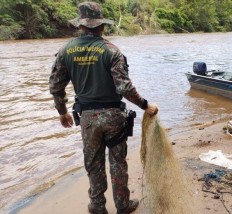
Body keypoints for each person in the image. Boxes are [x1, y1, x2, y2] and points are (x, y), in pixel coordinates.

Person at [49, 2, 158, 214]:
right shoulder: (111, 51)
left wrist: (62, 112)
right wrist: (146, 105)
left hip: (88, 119)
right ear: (101, 26)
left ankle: (98, 206)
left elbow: (55, 86)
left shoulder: (65, 51)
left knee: (93, 164)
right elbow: (124, 87)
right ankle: (123, 205)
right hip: (114, 118)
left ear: (81, 25)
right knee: (118, 163)